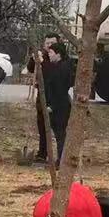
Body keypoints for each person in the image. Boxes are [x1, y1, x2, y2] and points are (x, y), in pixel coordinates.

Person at [28, 33, 74, 164]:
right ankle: (43, 153)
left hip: (56, 101)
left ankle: (62, 159)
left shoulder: (62, 61)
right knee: (42, 126)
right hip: (44, 96)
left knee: (59, 131)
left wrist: (52, 106)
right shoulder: (44, 55)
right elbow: (31, 68)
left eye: (52, 43)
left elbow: (55, 77)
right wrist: (34, 60)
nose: (49, 46)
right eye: (47, 43)